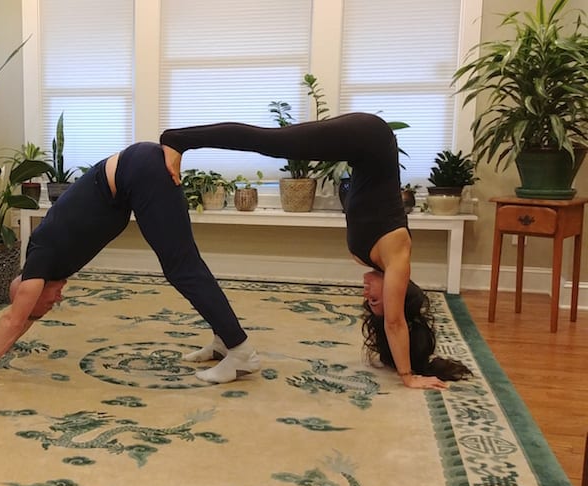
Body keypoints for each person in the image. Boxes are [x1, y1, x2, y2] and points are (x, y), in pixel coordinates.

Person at [159, 113, 472, 390]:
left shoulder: (370, 256)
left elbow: (391, 321)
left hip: (362, 152)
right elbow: (395, 323)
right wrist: (408, 375)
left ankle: (182, 140)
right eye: (376, 298)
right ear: (398, 295)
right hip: (371, 138)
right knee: (269, 142)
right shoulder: (398, 257)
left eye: (369, 301)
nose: (367, 294)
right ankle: (177, 140)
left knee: (271, 142)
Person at [0, 142, 260, 384]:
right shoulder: (44, 266)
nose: (56, 302)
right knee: (183, 265)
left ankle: (240, 351)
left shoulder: (40, 263)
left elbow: (14, 316)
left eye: (46, 304)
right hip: (135, 169)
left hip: (138, 172)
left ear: (33, 291)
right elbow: (21, 317)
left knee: (182, 267)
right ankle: (223, 340)